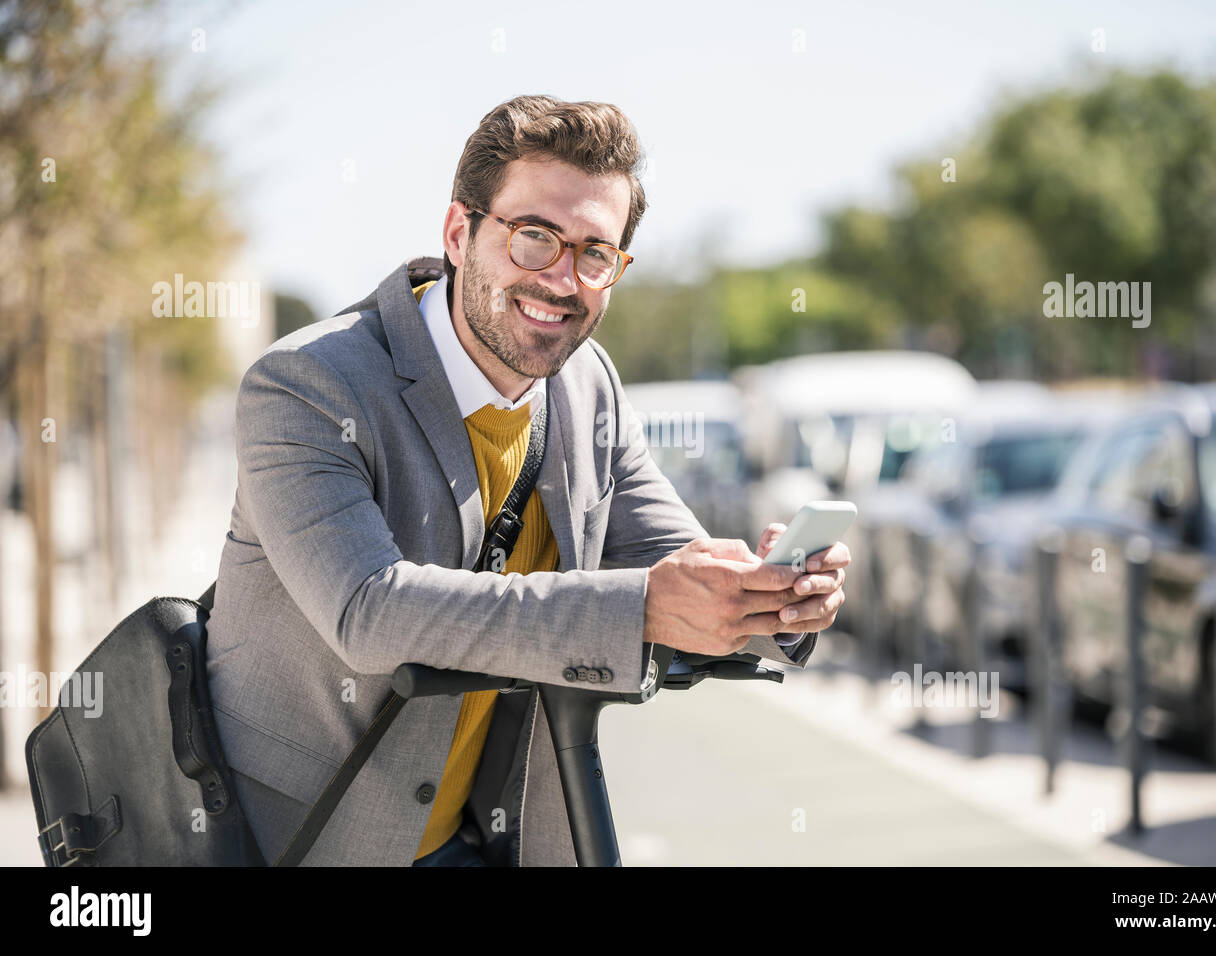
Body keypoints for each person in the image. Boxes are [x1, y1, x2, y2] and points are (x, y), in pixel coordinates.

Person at [204, 94, 850, 867]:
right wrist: (646, 606)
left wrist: (771, 593)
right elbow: (368, 611)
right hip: (306, 841)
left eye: (595, 254)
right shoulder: (307, 385)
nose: (562, 279)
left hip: (486, 836)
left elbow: (675, 557)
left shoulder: (589, 387)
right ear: (458, 233)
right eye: (534, 237)